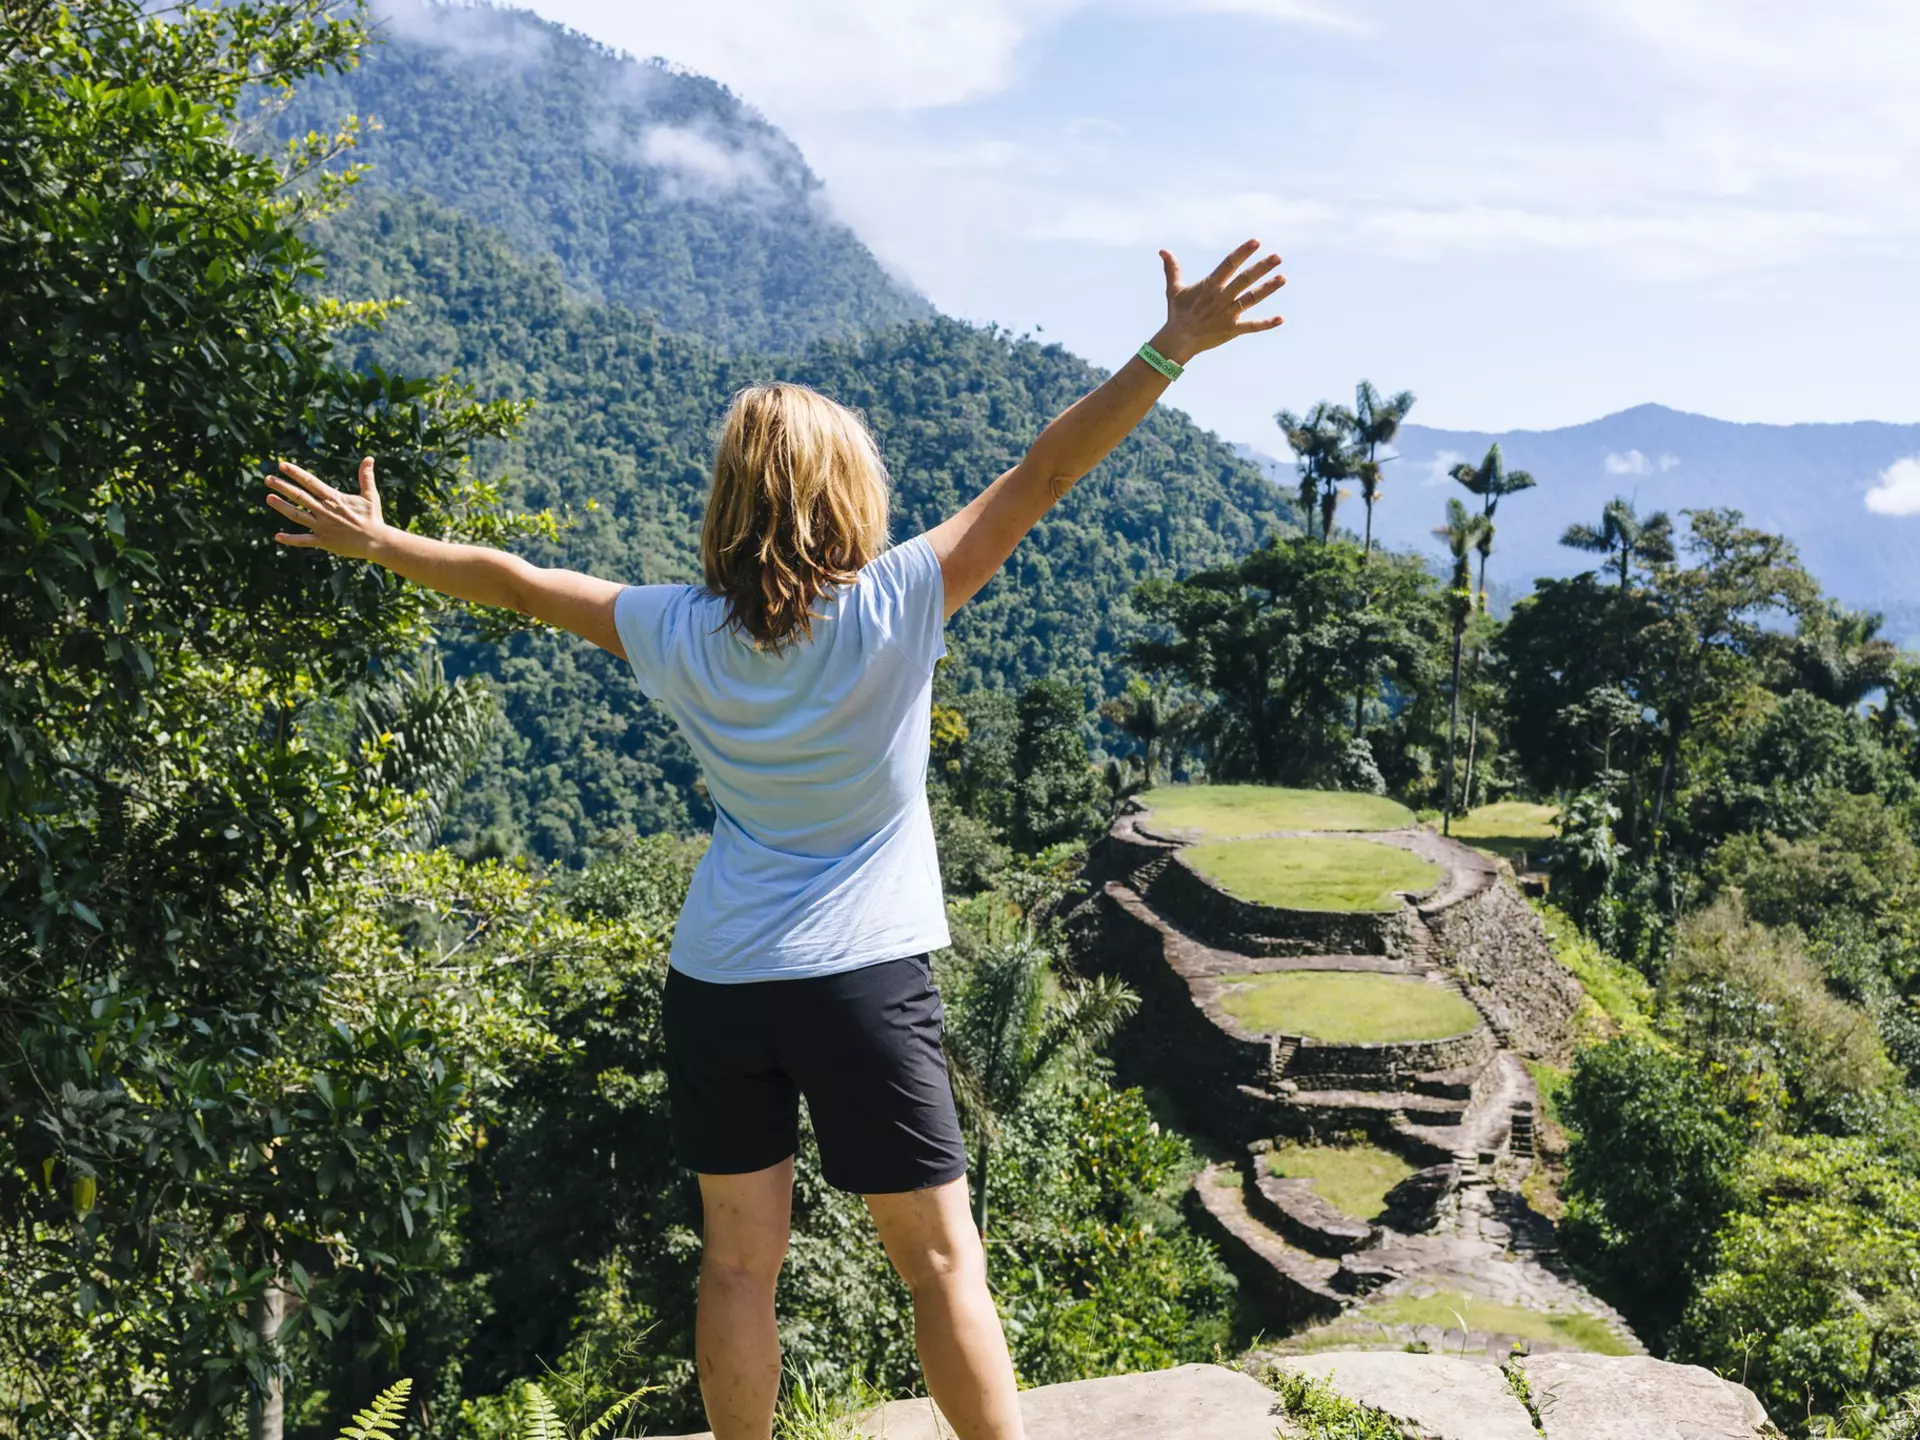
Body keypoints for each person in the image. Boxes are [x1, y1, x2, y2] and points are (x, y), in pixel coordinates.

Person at [262, 239, 1286, 1440]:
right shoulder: (902, 601)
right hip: (859, 981)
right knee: (943, 1265)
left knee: (739, 1269)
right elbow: (1044, 471)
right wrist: (1171, 348)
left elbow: (518, 581)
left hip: (719, 984)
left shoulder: (676, 632)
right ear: (850, 492)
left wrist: (383, 545)